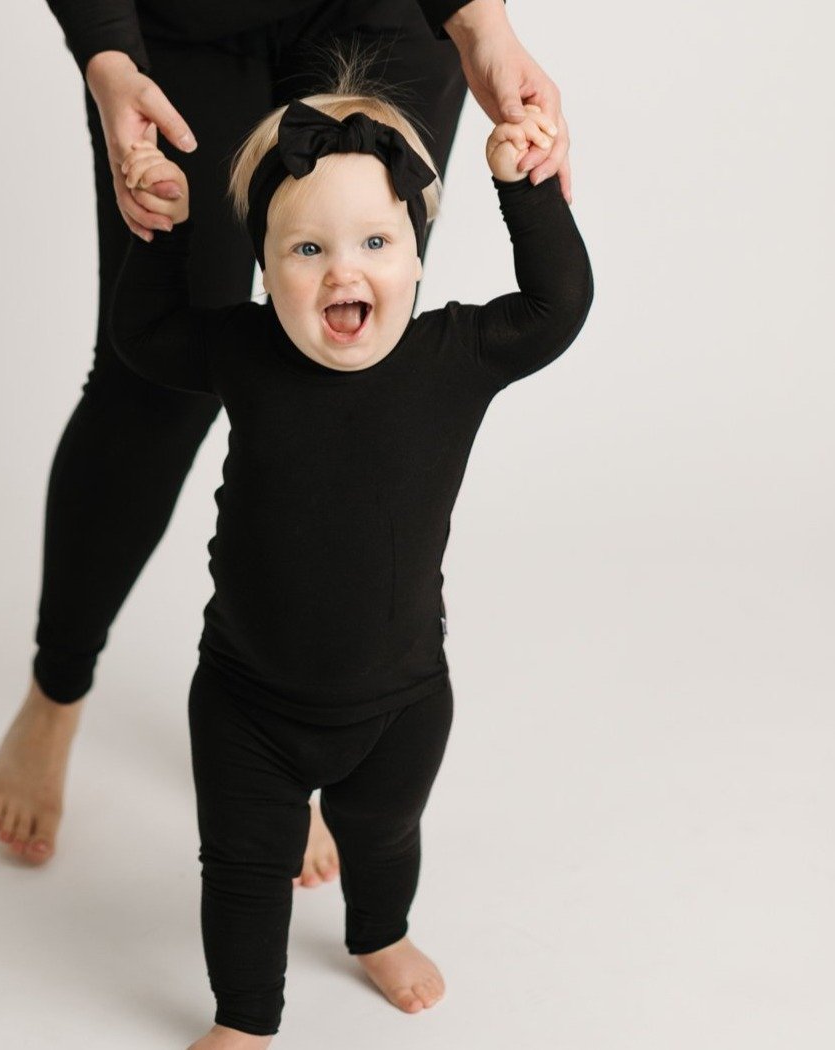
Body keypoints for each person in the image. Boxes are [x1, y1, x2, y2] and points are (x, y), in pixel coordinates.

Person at [0, 0, 573, 875]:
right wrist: (106, 53)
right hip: (184, 28)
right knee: (149, 384)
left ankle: (298, 753)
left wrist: (479, 21)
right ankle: (56, 687)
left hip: (390, 16)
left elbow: (547, 311)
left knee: (351, 366)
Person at [108, 78, 592, 1047]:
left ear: (415, 255)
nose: (344, 272)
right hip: (247, 698)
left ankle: (380, 934)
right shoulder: (244, 351)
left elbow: (556, 306)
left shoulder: (454, 354)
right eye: (307, 248)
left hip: (399, 700)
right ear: (263, 268)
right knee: (244, 867)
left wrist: (525, 189)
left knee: (383, 837)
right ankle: (246, 1019)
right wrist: (158, 226)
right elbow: (145, 337)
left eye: (376, 242)